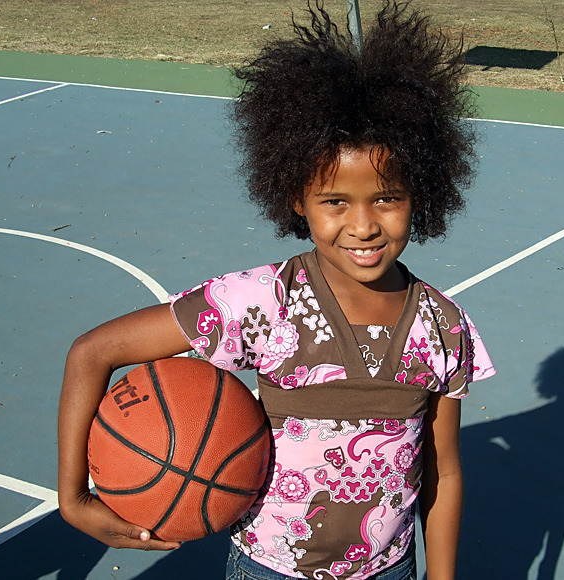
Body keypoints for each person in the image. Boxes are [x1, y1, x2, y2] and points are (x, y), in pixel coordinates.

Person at [57, 2, 496, 579]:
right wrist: (73, 497)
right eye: (334, 201)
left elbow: (444, 471)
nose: (363, 225)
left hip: (391, 568)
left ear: (423, 193)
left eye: (386, 198)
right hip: (269, 568)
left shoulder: (442, 325)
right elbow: (94, 352)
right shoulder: (262, 303)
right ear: (296, 199)